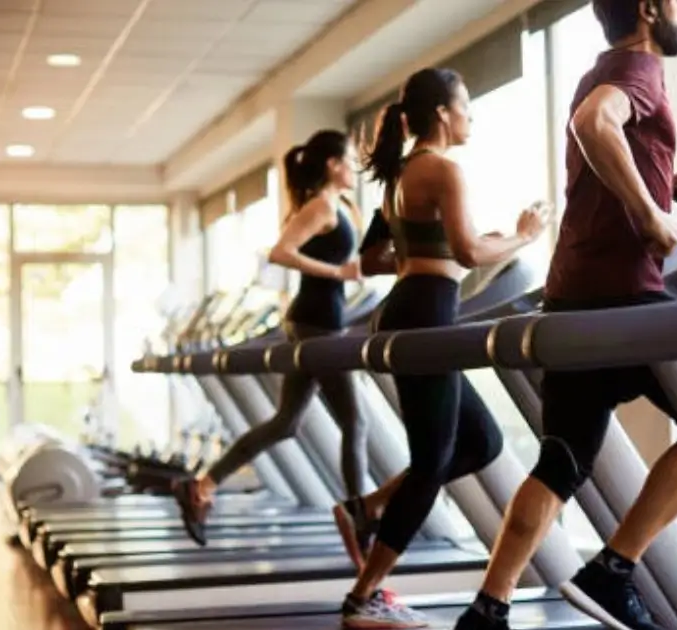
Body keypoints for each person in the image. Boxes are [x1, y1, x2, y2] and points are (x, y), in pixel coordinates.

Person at [453, 1, 677, 629]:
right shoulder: (638, 68)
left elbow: (602, 166)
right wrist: (653, 218)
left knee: (562, 460)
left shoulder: (604, 66)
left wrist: (674, 187)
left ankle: (488, 609)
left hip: (572, 295)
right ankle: (613, 570)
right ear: (652, 7)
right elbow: (592, 124)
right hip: (623, 295)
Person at [337, 67, 551, 629]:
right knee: (432, 463)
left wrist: (419, 260)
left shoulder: (399, 176)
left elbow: (375, 259)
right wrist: (525, 235)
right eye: (465, 106)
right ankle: (364, 595)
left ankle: (371, 507)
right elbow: (471, 248)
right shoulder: (443, 170)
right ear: (442, 114)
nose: (470, 117)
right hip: (428, 310)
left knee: (481, 441)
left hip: (413, 306)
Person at [172, 129, 374, 546]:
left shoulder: (340, 205)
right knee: (355, 421)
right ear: (333, 165)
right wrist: (338, 273)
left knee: (287, 423)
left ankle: (202, 486)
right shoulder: (320, 206)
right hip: (316, 323)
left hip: (321, 321)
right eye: (350, 160)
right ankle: (359, 516)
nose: (354, 167)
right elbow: (281, 252)